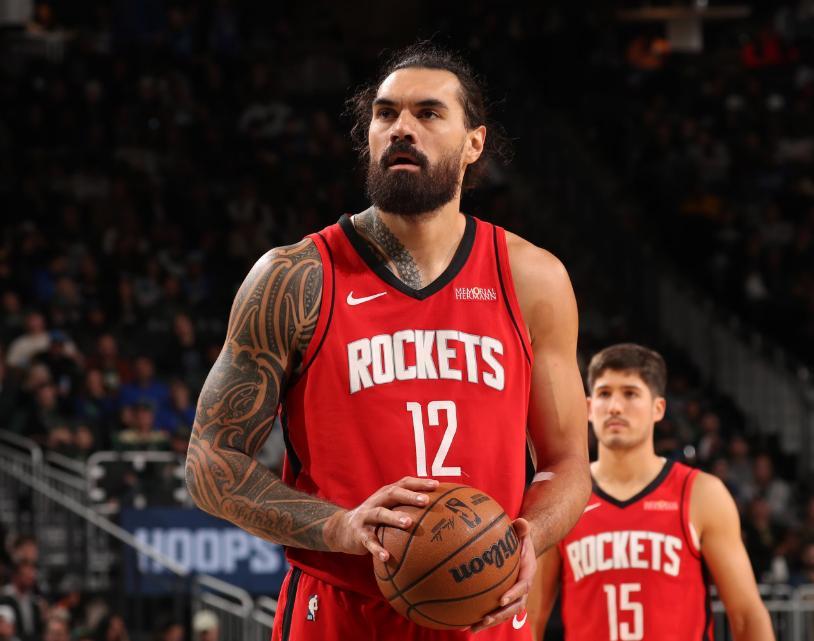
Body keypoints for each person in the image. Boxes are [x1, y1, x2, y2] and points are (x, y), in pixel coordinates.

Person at [186, 42, 590, 640]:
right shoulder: (296, 277)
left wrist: (529, 534)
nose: (402, 127)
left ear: (474, 143)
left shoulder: (533, 279)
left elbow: (567, 464)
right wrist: (340, 527)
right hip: (340, 611)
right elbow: (211, 464)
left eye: (428, 113)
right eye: (385, 113)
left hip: (484, 609)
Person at [527, 343, 775, 641]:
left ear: (658, 409)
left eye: (630, 393)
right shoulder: (564, 498)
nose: (615, 407)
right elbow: (531, 620)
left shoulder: (701, 494)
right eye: (604, 394)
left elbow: (747, 615)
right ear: (589, 408)